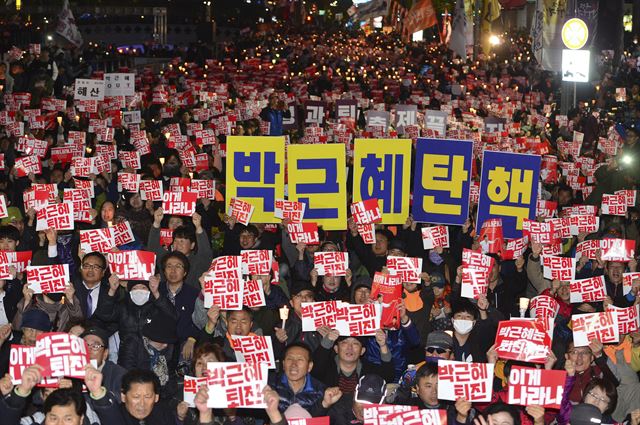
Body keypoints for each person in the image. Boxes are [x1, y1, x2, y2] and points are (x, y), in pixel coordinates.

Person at [85, 367, 177, 425]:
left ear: (156, 397)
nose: (142, 404)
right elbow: (109, 414)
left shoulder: (164, 415)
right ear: (123, 396)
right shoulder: (117, 415)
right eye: (136, 397)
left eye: (147, 396)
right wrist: (97, 391)